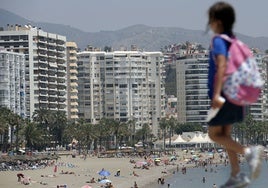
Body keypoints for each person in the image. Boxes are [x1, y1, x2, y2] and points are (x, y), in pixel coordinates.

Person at [207, 2, 264, 188]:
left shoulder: (218, 40)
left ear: (217, 21)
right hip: (236, 95)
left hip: (224, 94)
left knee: (214, 135)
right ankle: (236, 174)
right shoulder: (234, 40)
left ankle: (249, 152)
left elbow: (222, 65)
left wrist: (216, 94)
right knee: (226, 136)